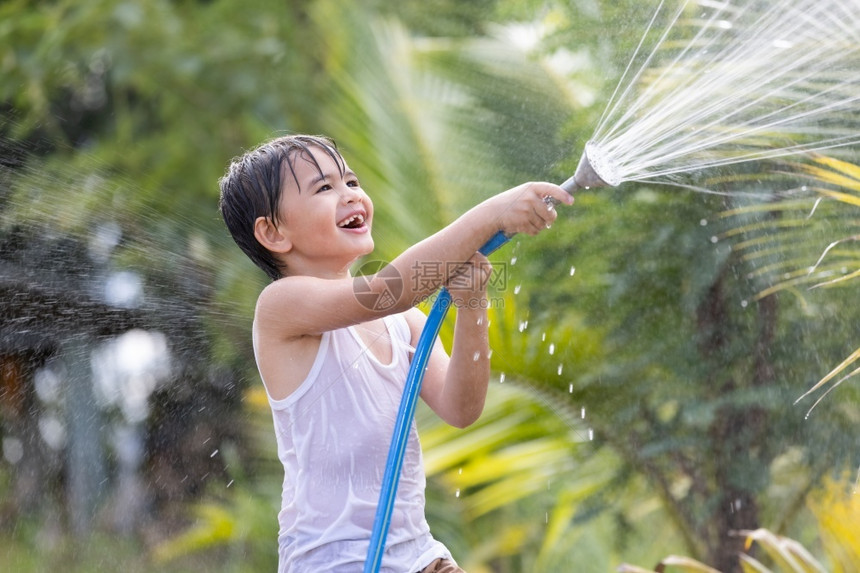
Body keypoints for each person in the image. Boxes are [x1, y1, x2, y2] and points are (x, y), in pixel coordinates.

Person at [218, 134, 572, 572]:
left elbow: (461, 407)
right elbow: (388, 291)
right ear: (273, 232)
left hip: (419, 555)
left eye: (351, 181)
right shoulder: (280, 307)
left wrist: (472, 304)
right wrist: (493, 213)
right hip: (336, 560)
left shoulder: (402, 324)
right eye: (324, 188)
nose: (350, 195)